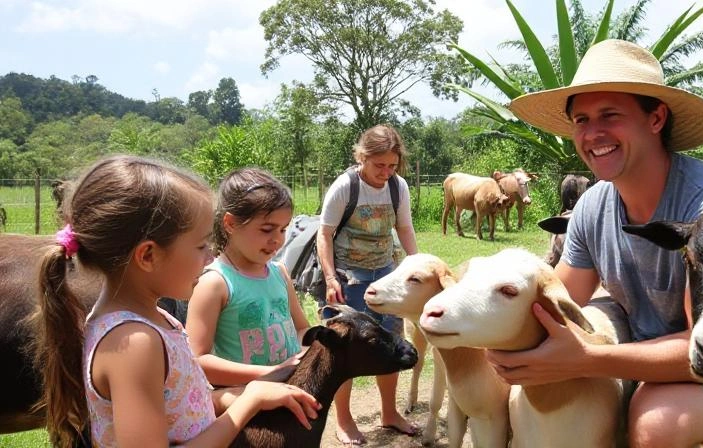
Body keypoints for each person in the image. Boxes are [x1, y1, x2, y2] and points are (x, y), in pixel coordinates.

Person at [487, 39, 703, 448]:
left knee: (653, 424)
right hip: (637, 350)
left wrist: (586, 359)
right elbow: (560, 300)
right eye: (582, 119)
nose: (593, 134)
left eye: (610, 115)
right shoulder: (593, 205)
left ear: (656, 118)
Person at [35, 155, 320, 448]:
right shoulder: (134, 342)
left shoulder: (155, 320)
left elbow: (181, 406)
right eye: (200, 246)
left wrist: (240, 395)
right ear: (148, 256)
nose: (210, 257)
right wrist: (247, 402)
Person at [317, 124, 419, 444]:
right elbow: (324, 234)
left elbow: (404, 228)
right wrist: (331, 277)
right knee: (344, 351)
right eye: (379, 165)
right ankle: (344, 420)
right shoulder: (345, 187)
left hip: (386, 275)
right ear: (362, 156)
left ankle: (389, 412)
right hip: (348, 278)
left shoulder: (397, 187)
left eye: (392, 166)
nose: (386, 172)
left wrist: (416, 265)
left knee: (390, 346)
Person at [186, 167, 311, 387]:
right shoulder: (215, 283)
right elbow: (198, 360)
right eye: (267, 229)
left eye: (283, 230)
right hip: (246, 404)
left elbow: (302, 328)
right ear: (231, 224)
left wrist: (307, 354)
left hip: (290, 390)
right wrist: (272, 372)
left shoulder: (279, 273)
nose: (277, 240)